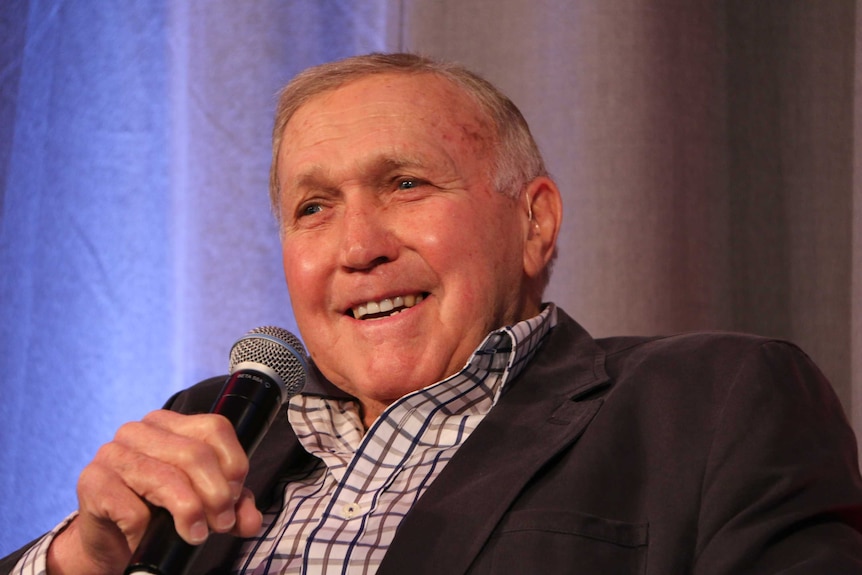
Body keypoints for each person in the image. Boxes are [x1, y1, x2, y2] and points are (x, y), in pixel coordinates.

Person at [3, 52, 862, 574]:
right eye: (313, 207)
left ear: (535, 221)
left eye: (405, 184)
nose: (357, 246)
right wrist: (85, 557)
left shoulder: (710, 403)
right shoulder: (215, 425)